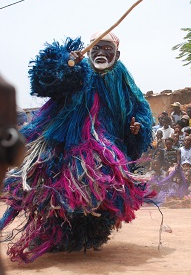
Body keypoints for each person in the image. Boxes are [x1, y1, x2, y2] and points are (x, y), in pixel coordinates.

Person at [0, 32, 154, 263]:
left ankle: (87, 234)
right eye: (96, 48)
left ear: (117, 54)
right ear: (89, 50)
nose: (101, 53)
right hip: (61, 140)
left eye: (107, 49)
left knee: (102, 184)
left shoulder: (123, 80)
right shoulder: (78, 70)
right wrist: (64, 62)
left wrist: (138, 128)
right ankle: (57, 234)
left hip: (103, 145)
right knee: (51, 191)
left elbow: (140, 110)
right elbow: (44, 81)